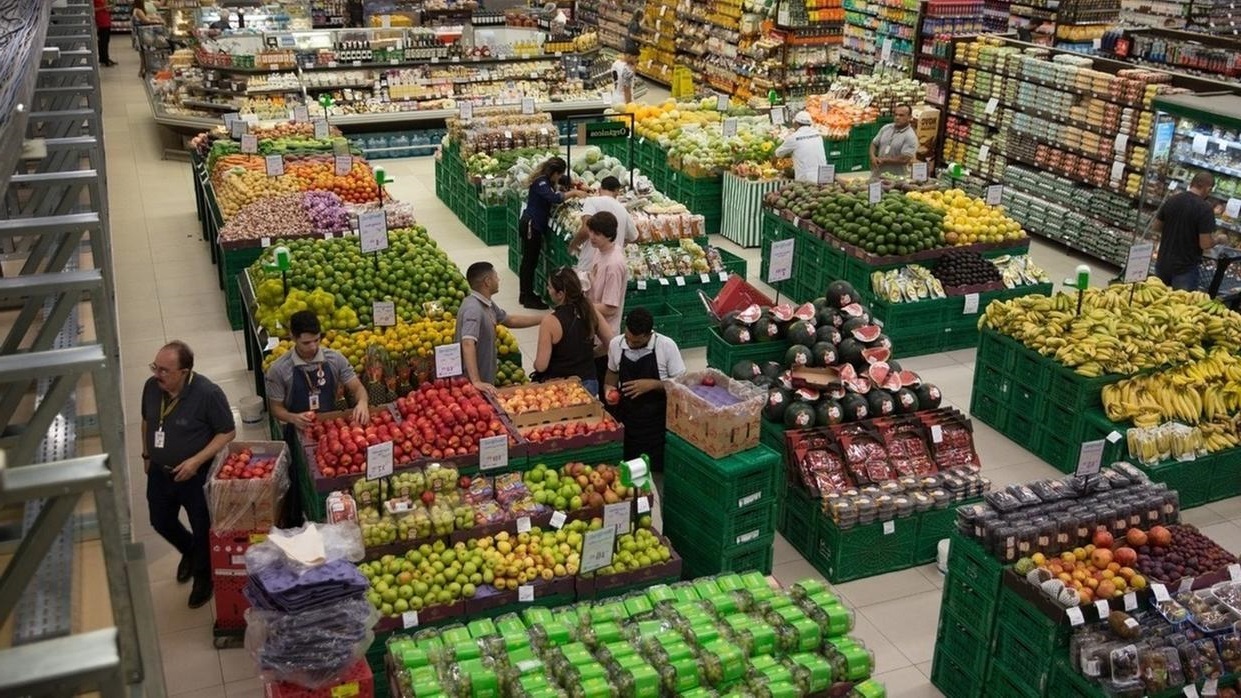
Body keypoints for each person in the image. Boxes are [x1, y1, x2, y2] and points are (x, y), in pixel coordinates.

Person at [141, 341, 235, 608]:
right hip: (160, 472)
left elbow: (227, 432)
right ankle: (190, 551)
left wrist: (195, 461)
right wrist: (147, 454)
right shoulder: (151, 388)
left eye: (164, 370)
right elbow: (147, 420)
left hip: (196, 475)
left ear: (184, 372)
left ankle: (204, 578)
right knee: (160, 520)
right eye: (155, 368)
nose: (157, 374)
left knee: (202, 525)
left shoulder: (208, 393)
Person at [604, 307, 686, 472]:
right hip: (628, 419)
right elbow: (612, 373)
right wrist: (608, 389)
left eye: (637, 342)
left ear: (649, 335)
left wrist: (653, 384)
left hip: (657, 424)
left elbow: (682, 385)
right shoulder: (616, 344)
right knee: (629, 467)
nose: (631, 344)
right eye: (628, 338)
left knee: (654, 469)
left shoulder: (666, 346)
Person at [265, 310, 371, 434]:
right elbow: (276, 407)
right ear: (292, 337)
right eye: (306, 343)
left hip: (330, 427)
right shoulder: (279, 369)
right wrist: (292, 418)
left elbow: (358, 388)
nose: (313, 347)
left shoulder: (335, 359)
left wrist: (362, 402)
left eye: (316, 340)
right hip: (298, 429)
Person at [456, 262, 543, 394]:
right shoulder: (473, 309)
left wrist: (543, 319)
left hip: (484, 381)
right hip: (472, 387)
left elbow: (510, 320)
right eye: (496, 277)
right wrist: (476, 381)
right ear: (487, 281)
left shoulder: (487, 304)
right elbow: (467, 342)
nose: (499, 280)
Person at [533, 267, 615, 395]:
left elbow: (541, 365)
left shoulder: (550, 321)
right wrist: (591, 354)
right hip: (589, 383)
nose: (548, 290)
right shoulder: (590, 310)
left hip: (561, 387)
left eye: (549, 287)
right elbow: (612, 343)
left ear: (560, 294)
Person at [520, 156, 585, 309]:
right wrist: (574, 193)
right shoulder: (541, 182)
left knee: (529, 261)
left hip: (533, 224)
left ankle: (525, 294)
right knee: (529, 262)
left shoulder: (547, 180)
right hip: (531, 226)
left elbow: (559, 187)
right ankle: (527, 297)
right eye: (560, 174)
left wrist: (574, 185)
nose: (560, 177)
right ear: (555, 173)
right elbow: (554, 198)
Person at [1154, 172, 1219, 290]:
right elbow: (1205, 244)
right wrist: (1219, 239)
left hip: (1162, 263)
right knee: (1181, 306)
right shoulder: (1205, 208)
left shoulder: (1172, 199)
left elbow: (1156, 227)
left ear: (1191, 183)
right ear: (1208, 188)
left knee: (1156, 302)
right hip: (1185, 269)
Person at [586, 211, 629, 384]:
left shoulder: (614, 264)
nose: (592, 237)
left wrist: (582, 306)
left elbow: (611, 308)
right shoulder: (600, 251)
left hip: (604, 336)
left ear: (609, 235)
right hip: (593, 327)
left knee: (603, 384)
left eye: (597, 234)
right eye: (591, 232)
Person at [571, 176, 638, 274]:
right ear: (617, 191)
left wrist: (574, 244)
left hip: (589, 264)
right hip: (611, 266)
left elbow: (585, 229)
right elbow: (634, 237)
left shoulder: (592, 202)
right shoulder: (623, 210)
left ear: (599, 188)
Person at [775, 110, 827, 183]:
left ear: (796, 124)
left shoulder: (794, 137)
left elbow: (778, 153)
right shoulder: (818, 134)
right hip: (824, 175)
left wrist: (789, 153)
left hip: (806, 178)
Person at [870, 103, 919, 178]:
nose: (897, 117)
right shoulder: (886, 128)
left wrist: (884, 160)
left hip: (897, 178)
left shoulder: (910, 136)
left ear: (909, 117)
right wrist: (873, 157)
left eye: (901, 115)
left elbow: (904, 159)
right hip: (878, 175)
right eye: (895, 114)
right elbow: (874, 143)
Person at [94, 0, 117, 67]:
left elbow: (106, 8)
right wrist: (104, 8)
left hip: (106, 20)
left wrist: (109, 7)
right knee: (103, 41)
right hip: (101, 21)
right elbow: (93, 9)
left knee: (106, 41)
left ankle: (104, 59)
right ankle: (105, 59)